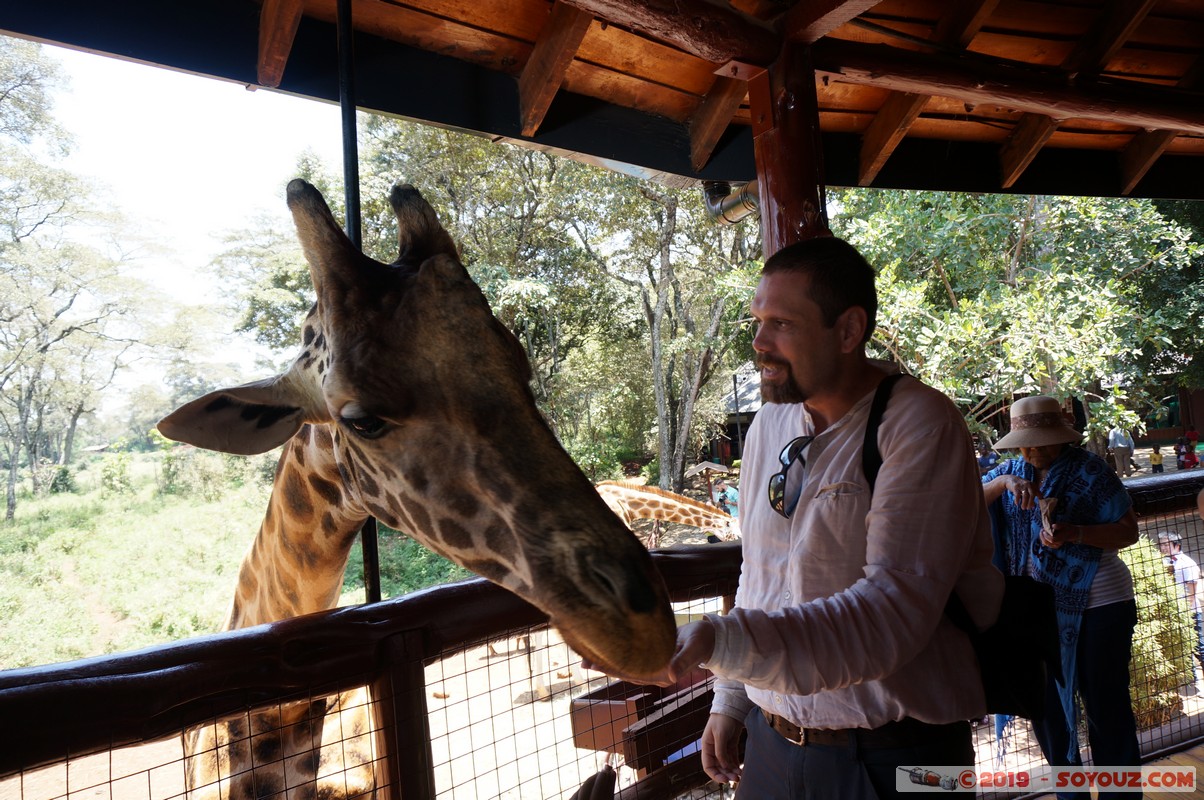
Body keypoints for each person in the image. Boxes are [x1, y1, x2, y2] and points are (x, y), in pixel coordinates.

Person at [586, 237, 1003, 799]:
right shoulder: (768, 425)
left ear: (849, 331)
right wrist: (732, 698)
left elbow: (891, 615)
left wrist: (717, 641)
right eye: (758, 321)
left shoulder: (917, 425)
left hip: (894, 754)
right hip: (772, 743)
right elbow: (760, 573)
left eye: (781, 323)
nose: (759, 343)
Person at [982, 396, 1142, 799]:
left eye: (1040, 441)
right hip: (1038, 612)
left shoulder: (1092, 471)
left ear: (1060, 437)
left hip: (1101, 605)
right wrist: (1003, 483)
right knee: (1048, 713)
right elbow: (960, 502)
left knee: (1106, 712)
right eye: (1024, 442)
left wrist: (1075, 533)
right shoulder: (1012, 472)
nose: (1031, 450)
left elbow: (1128, 531)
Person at [1156, 531, 1204, 677]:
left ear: (1176, 545)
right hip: (1174, 612)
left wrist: (1185, 614)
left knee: (1200, 647)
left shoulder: (1187, 563)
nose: (1162, 548)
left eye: (1166, 544)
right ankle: (1193, 680)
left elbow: (1192, 592)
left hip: (1190, 612)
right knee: (1183, 648)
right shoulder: (1164, 562)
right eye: (1161, 544)